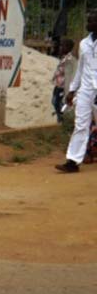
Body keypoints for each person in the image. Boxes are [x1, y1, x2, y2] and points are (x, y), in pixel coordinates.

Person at [55, 10, 97, 173]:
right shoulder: (84, 43)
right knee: (80, 125)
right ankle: (72, 161)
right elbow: (80, 68)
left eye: (92, 21)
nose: (88, 24)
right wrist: (72, 90)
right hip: (86, 89)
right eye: (88, 20)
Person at [51, 38, 75, 123]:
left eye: (62, 46)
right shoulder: (64, 58)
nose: (60, 47)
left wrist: (68, 89)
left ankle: (63, 119)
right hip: (58, 84)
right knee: (54, 101)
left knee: (57, 102)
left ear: (68, 48)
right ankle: (60, 117)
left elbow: (69, 75)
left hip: (63, 86)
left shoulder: (69, 59)